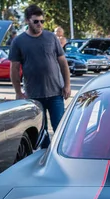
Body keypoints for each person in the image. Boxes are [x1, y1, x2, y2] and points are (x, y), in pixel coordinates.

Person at [9, 4, 71, 138]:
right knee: (40, 133)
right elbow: (14, 69)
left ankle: (58, 157)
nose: (39, 24)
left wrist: (67, 85)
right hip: (34, 96)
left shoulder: (51, 37)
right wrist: (18, 92)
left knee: (60, 130)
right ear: (27, 21)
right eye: (36, 21)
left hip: (56, 94)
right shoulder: (18, 41)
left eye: (42, 21)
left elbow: (63, 62)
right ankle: (44, 155)